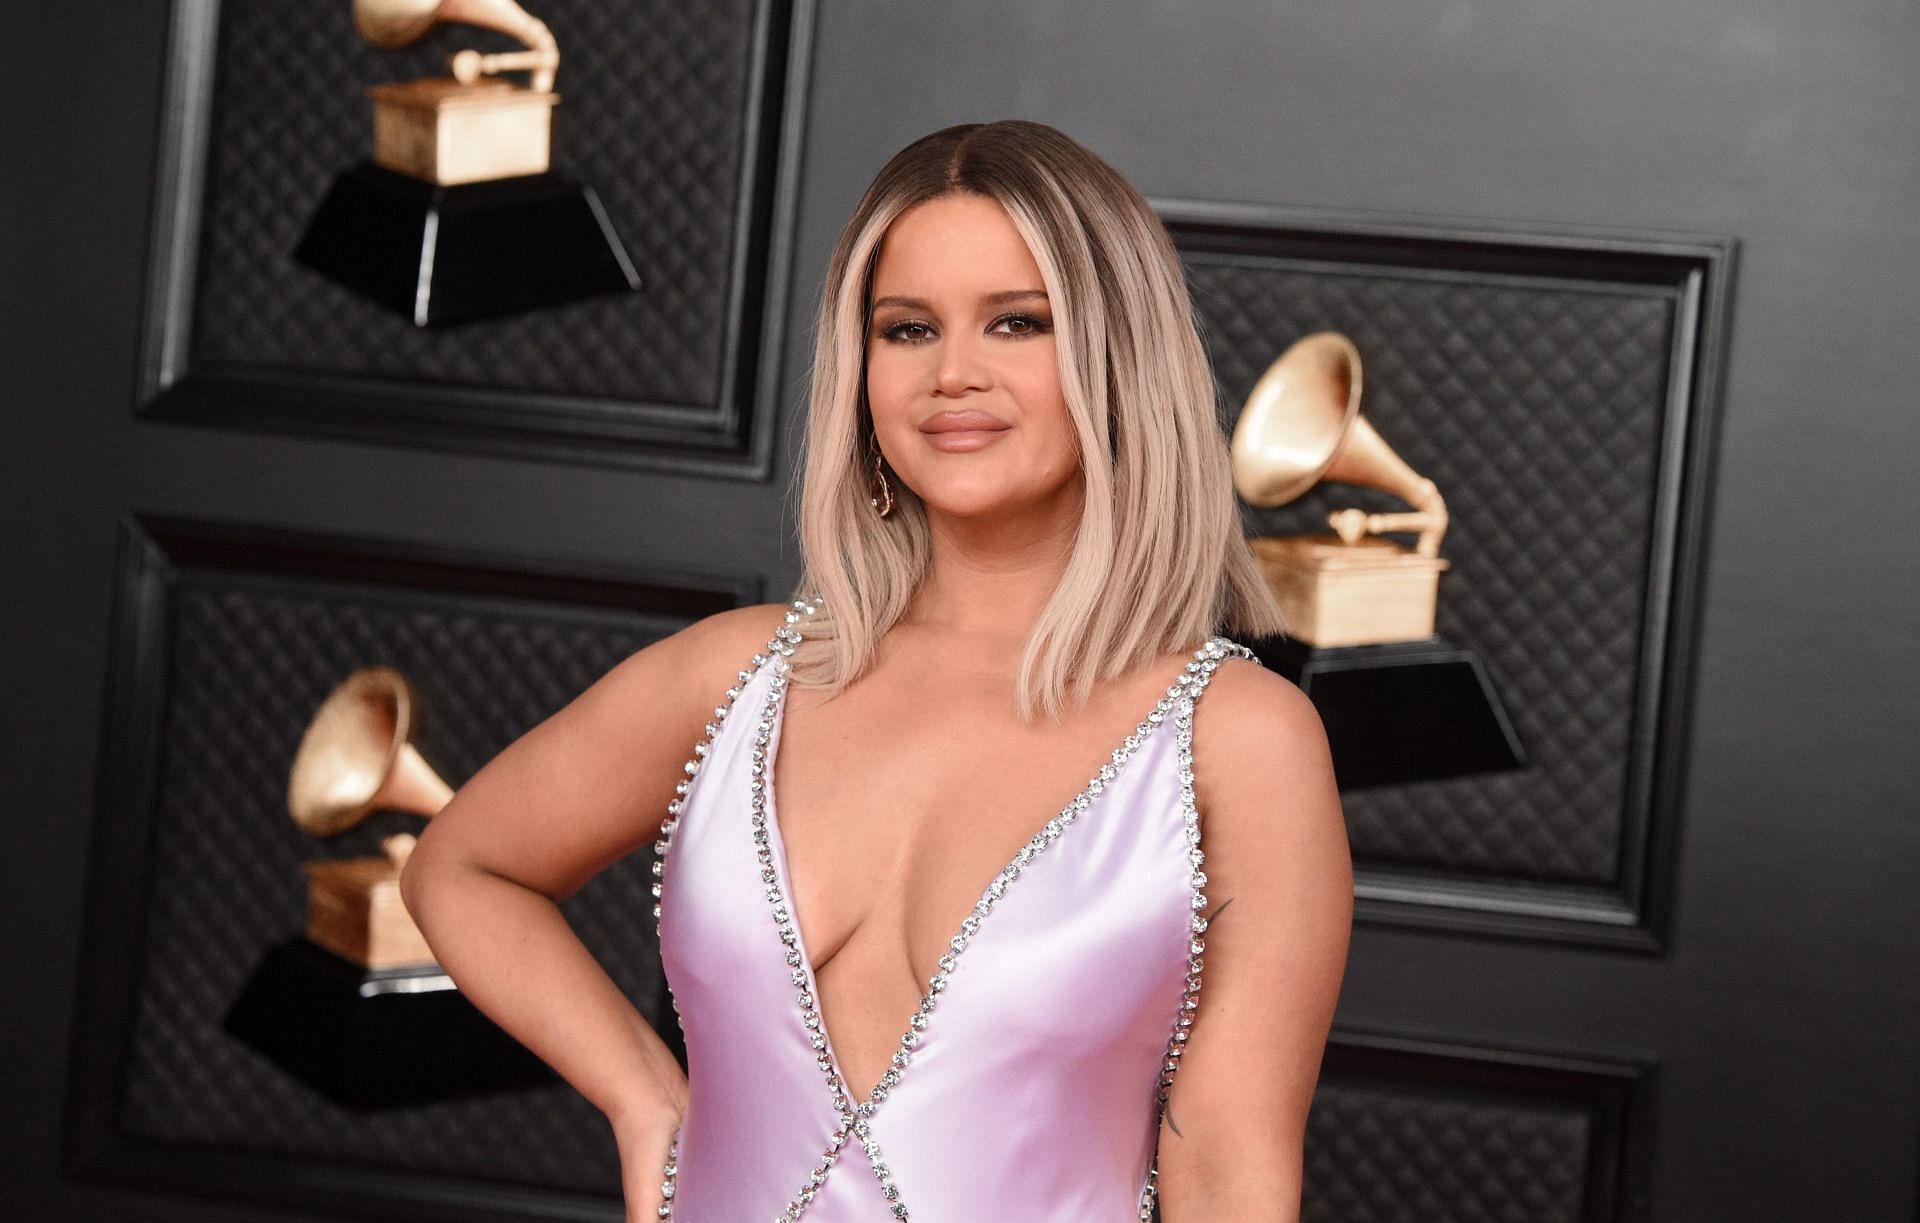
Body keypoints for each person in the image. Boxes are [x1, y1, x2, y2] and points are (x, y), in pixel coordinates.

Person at [400, 119, 1351, 1222]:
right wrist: (645, 1098)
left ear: (1117, 355)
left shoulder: (1237, 736)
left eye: (1017, 321)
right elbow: (461, 868)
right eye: (907, 329)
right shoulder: (736, 676)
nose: (954, 373)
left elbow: (1232, 1173)